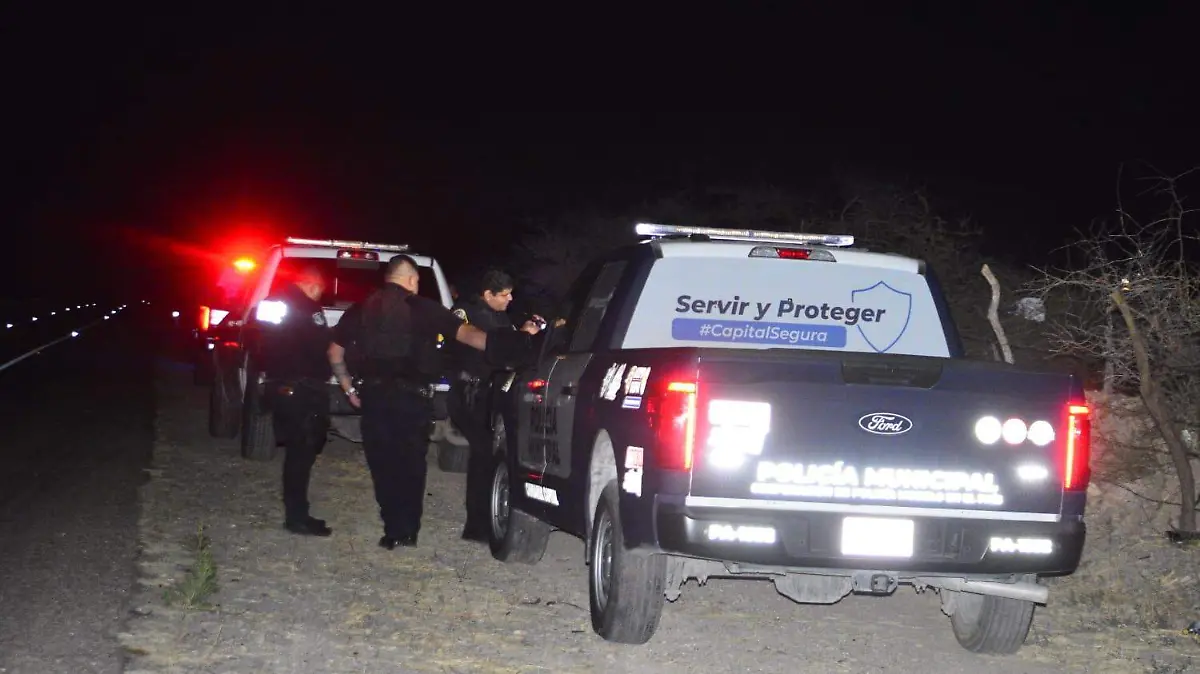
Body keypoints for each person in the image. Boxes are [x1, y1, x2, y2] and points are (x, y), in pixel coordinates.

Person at [328, 254, 542, 550]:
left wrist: (348, 387)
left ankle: (392, 528)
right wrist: (516, 342)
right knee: (411, 464)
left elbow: (334, 352)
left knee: (382, 463)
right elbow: (470, 336)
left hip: (374, 397)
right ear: (412, 279)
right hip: (412, 399)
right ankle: (408, 530)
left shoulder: (360, 308)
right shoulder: (424, 308)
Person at [447, 269, 543, 542]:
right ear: (487, 294)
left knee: (490, 457)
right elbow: (485, 344)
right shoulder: (466, 313)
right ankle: (477, 526)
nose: (510, 299)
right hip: (470, 393)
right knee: (484, 458)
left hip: (490, 394)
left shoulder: (500, 316)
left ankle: (484, 522)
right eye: (504, 295)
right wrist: (520, 336)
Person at [256, 264, 334, 537]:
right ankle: (297, 517)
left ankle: (297, 513)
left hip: (278, 384)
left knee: (295, 452)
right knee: (302, 453)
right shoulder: (308, 308)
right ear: (313, 285)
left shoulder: (271, 303)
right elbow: (320, 345)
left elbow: (261, 338)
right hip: (302, 390)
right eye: (320, 290)